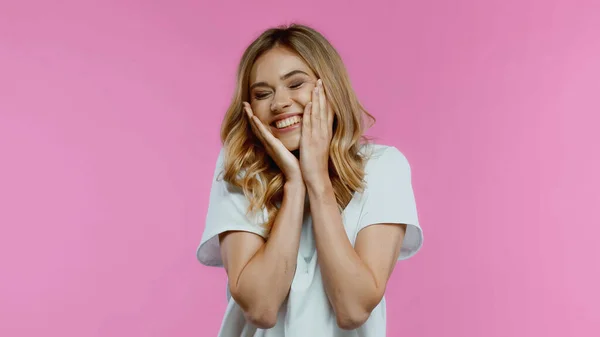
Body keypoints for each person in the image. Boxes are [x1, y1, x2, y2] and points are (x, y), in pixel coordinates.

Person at [196, 23, 423, 337]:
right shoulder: (241, 171)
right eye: (262, 93)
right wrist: (295, 183)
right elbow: (260, 308)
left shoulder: (383, 168)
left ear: (328, 86)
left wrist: (317, 181)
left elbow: (353, 309)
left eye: (296, 83)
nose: (279, 103)